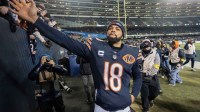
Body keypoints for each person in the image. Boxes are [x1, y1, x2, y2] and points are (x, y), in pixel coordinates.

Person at [9, 1, 142, 111]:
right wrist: (35, 20)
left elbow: (138, 76)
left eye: (117, 28)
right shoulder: (95, 47)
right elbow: (65, 41)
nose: (113, 29)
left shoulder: (133, 52)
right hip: (101, 106)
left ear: (123, 35)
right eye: (110, 28)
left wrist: (133, 95)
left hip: (124, 107)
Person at [139, 39, 160, 112]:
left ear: (150, 46)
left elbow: (157, 65)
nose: (146, 49)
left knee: (155, 92)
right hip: (142, 77)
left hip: (153, 76)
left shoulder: (155, 53)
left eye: (148, 47)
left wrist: (149, 73)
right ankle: (145, 108)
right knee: (144, 95)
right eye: (145, 47)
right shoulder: (139, 54)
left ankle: (151, 99)